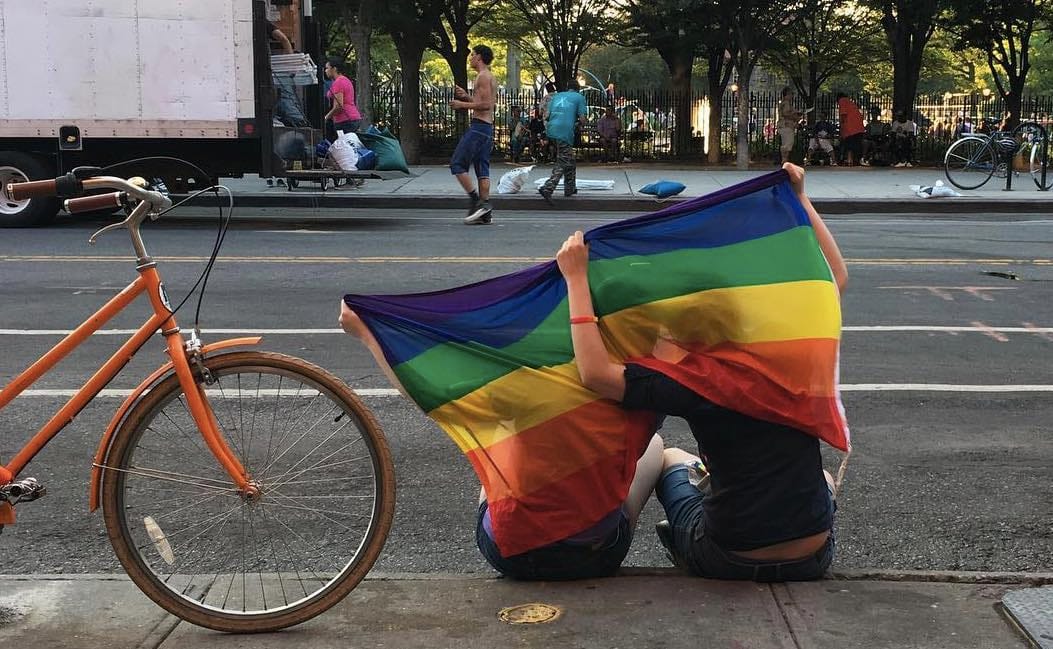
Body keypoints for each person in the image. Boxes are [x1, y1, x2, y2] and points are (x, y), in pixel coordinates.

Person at [553, 162, 846, 582]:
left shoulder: (694, 379)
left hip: (729, 557)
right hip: (812, 558)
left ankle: (683, 540)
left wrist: (576, 279)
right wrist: (800, 199)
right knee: (821, 478)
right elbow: (834, 278)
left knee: (672, 458)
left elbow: (596, 374)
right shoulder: (785, 352)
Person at [336, 304, 667, 581]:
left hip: (511, 554)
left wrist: (367, 334)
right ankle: (618, 530)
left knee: (500, 450)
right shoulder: (644, 393)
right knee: (656, 448)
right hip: (594, 559)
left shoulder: (526, 382)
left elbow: (425, 392)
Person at [448, 44, 497, 226]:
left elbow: (486, 105)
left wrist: (461, 104)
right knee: (482, 171)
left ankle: (477, 202)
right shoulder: (489, 76)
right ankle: (485, 214)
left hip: (478, 128)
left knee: (457, 164)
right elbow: (482, 102)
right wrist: (467, 97)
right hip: (486, 128)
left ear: (479, 57)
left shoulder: (483, 76)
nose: (470, 58)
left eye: (472, 55)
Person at [538, 83, 588, 205]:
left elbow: (547, 116)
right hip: (564, 131)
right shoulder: (579, 97)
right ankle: (548, 187)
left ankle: (570, 187)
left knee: (570, 159)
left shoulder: (556, 96)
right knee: (563, 161)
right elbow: (582, 119)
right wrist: (579, 124)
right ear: (578, 89)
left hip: (551, 130)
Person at [324, 58, 362, 141]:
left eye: (327, 68)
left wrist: (326, 117)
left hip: (345, 121)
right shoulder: (345, 80)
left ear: (334, 69)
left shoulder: (338, 82)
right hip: (351, 119)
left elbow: (338, 106)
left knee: (344, 146)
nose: (325, 71)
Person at [778, 87, 806, 164]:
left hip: (784, 125)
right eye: (791, 94)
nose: (792, 96)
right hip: (787, 125)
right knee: (788, 143)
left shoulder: (784, 103)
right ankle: (784, 160)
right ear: (787, 94)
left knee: (786, 143)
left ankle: (784, 160)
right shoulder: (786, 103)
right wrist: (795, 117)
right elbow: (785, 114)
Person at [836, 93, 864, 166]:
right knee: (856, 145)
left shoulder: (842, 101)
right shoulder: (851, 103)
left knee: (849, 145)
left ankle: (849, 160)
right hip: (859, 127)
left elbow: (843, 115)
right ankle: (856, 161)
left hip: (850, 127)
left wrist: (841, 128)